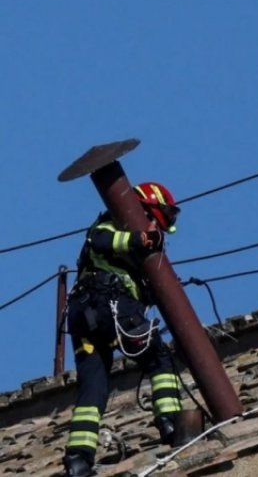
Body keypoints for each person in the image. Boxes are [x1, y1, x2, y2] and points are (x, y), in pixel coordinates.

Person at [63, 182, 183, 477]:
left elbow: (143, 286)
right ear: (147, 210)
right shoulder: (111, 224)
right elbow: (102, 239)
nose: (156, 228)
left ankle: (78, 459)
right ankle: (171, 423)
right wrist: (138, 239)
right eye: (157, 220)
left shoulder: (134, 250)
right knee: (159, 358)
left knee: (93, 386)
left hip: (83, 315)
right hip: (111, 304)